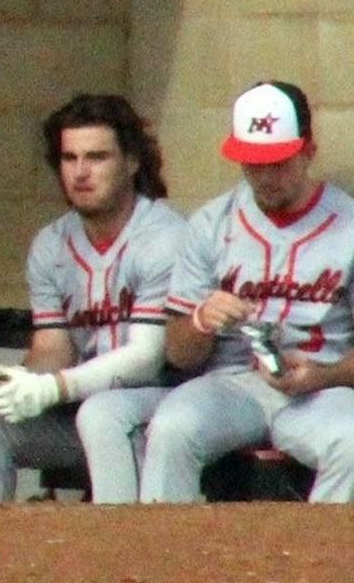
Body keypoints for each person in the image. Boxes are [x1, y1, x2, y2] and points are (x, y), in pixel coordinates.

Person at [0, 94, 186, 504]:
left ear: (132, 163)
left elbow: (147, 358)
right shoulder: (51, 244)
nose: (80, 172)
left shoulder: (164, 236)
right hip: (81, 401)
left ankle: (118, 556)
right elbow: (53, 348)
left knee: (104, 414)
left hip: (162, 404)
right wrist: (22, 381)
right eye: (69, 158)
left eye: (97, 157)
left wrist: (54, 388)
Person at [142, 81, 354, 503]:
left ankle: (319, 565)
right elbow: (179, 355)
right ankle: (164, 562)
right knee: (171, 428)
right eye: (253, 163)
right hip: (234, 383)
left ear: (308, 151)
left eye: (278, 162)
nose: (266, 177)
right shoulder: (211, 223)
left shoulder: (348, 224)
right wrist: (201, 321)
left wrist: (326, 375)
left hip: (322, 386)